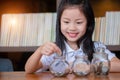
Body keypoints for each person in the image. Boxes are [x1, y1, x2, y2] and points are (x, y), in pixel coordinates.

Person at [25, 0, 120, 73]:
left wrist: (91, 66)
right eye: (66, 22)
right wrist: (39, 51)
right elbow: (29, 69)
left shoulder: (96, 47)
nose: (72, 28)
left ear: (88, 23)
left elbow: (118, 65)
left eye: (79, 22)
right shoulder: (55, 49)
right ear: (59, 23)